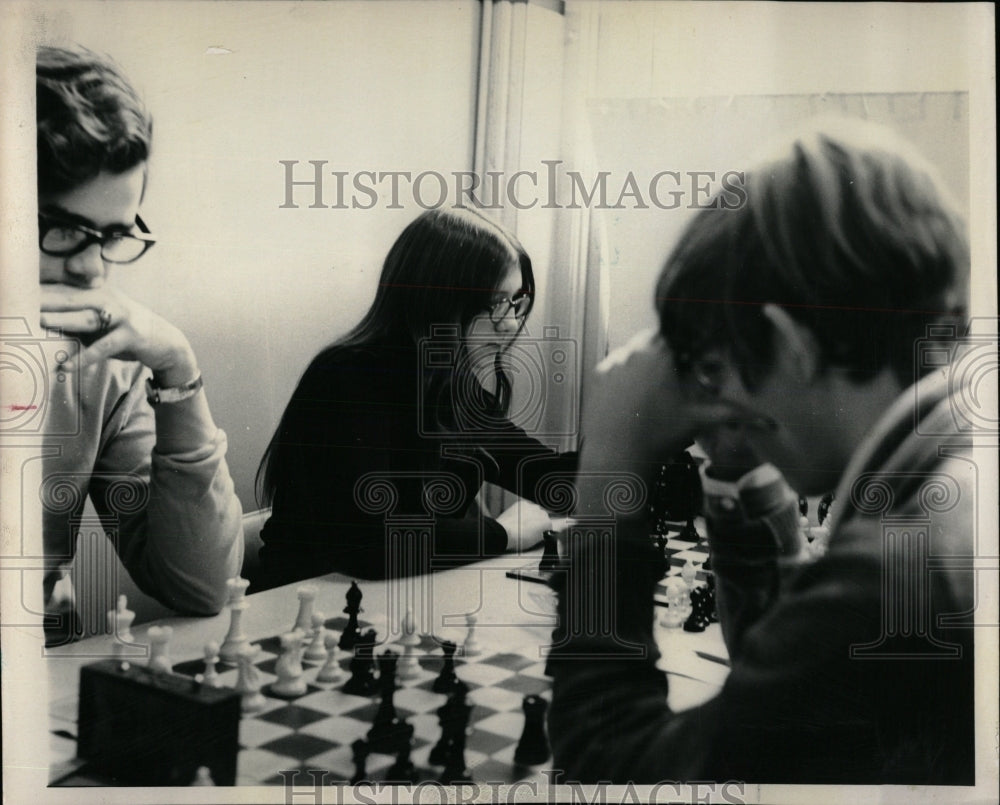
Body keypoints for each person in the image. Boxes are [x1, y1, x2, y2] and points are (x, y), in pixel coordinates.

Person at [548, 118, 976, 784]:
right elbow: (792, 693)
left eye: (722, 367)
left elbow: (616, 767)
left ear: (790, 342)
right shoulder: (950, 479)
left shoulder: (893, 576)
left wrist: (609, 467)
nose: (717, 401)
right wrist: (737, 464)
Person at [254, 208, 577, 590]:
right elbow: (372, 542)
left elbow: (548, 478)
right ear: (437, 298)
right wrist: (502, 534)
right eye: (495, 302)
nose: (509, 324)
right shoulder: (348, 375)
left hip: (392, 600)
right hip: (304, 609)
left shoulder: (454, 386)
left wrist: (647, 444)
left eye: (515, 302)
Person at [38, 46, 243, 642]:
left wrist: (178, 367)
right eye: (61, 229)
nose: (91, 270)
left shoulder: (100, 358)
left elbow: (200, 586)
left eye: (112, 236)